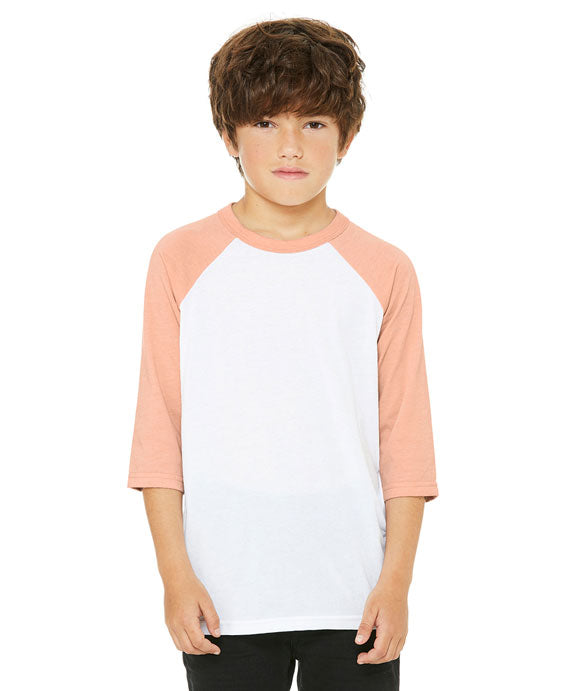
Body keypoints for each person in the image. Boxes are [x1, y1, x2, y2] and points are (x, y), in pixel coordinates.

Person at [127, 17, 439, 691]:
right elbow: (159, 431)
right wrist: (174, 576)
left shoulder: (385, 269)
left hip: (354, 595)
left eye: (315, 123)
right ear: (229, 135)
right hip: (223, 596)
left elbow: (406, 439)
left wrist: (397, 583)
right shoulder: (180, 259)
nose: (291, 146)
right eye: (266, 122)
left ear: (347, 137)